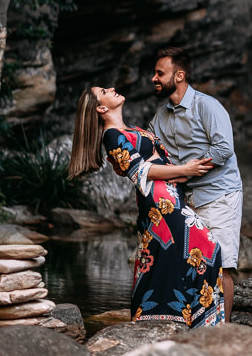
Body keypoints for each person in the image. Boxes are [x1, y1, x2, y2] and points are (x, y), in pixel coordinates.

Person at [68, 85, 225, 328]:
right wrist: (185, 169)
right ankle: (196, 320)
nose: (112, 88)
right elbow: (139, 171)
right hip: (159, 201)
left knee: (177, 253)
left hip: (170, 195)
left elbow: (154, 162)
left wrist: (183, 174)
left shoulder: (130, 130)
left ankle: (189, 316)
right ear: (101, 108)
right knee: (204, 246)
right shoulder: (111, 135)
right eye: (104, 91)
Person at [149, 46, 244, 321]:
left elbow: (224, 148)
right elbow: (150, 152)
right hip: (185, 201)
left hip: (219, 195)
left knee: (221, 267)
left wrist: (187, 173)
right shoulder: (160, 117)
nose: (154, 78)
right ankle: (195, 325)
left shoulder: (207, 106)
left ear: (179, 76)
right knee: (189, 266)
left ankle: (223, 330)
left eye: (160, 73)